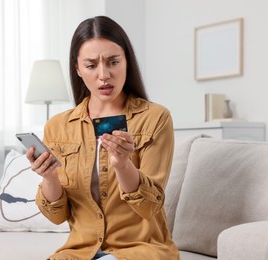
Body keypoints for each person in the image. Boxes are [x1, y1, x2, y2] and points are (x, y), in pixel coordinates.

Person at [26, 15, 179, 260]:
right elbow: (56, 216)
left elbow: (149, 207)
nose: (104, 75)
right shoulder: (58, 126)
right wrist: (50, 177)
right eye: (91, 65)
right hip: (79, 251)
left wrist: (123, 164)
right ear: (77, 69)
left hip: (139, 250)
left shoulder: (155, 118)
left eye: (113, 62)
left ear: (127, 62)